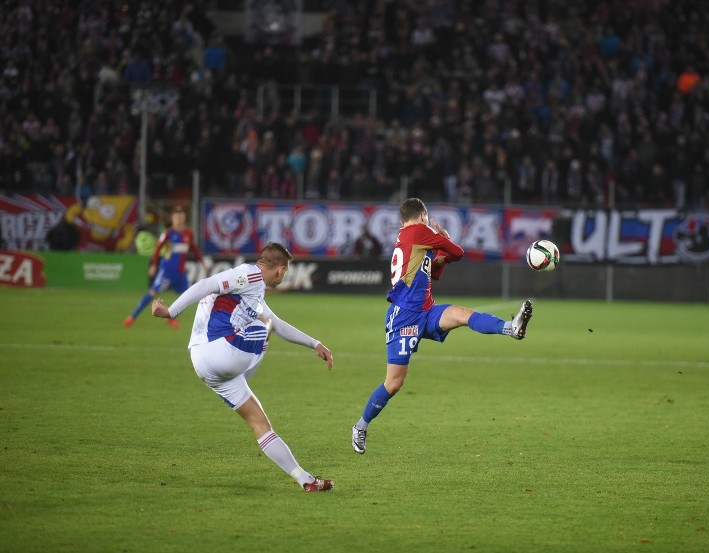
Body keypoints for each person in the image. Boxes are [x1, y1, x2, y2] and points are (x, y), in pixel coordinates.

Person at [350, 197, 533, 454]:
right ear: (423, 215)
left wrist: (441, 256)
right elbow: (458, 252)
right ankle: (360, 426)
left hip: (426, 311)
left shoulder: (409, 238)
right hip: (404, 318)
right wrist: (443, 237)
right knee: (394, 383)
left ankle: (510, 328)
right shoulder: (421, 231)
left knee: (462, 314)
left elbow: (435, 270)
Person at [151, 242, 335, 492]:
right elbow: (206, 284)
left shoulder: (251, 294)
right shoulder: (250, 274)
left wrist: (314, 343)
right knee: (264, 326)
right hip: (220, 349)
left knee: (260, 424)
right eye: (286, 271)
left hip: (204, 366)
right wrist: (171, 311)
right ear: (280, 270)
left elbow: (279, 324)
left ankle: (305, 479)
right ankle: (248, 371)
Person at [124, 207, 207, 328]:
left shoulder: (188, 233)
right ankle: (133, 316)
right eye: (176, 217)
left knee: (188, 297)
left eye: (181, 217)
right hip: (166, 272)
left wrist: (202, 263)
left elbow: (194, 248)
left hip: (180, 273)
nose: (179, 219)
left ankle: (171, 318)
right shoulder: (168, 233)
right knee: (153, 293)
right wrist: (153, 265)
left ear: (184, 218)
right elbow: (157, 250)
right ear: (173, 219)